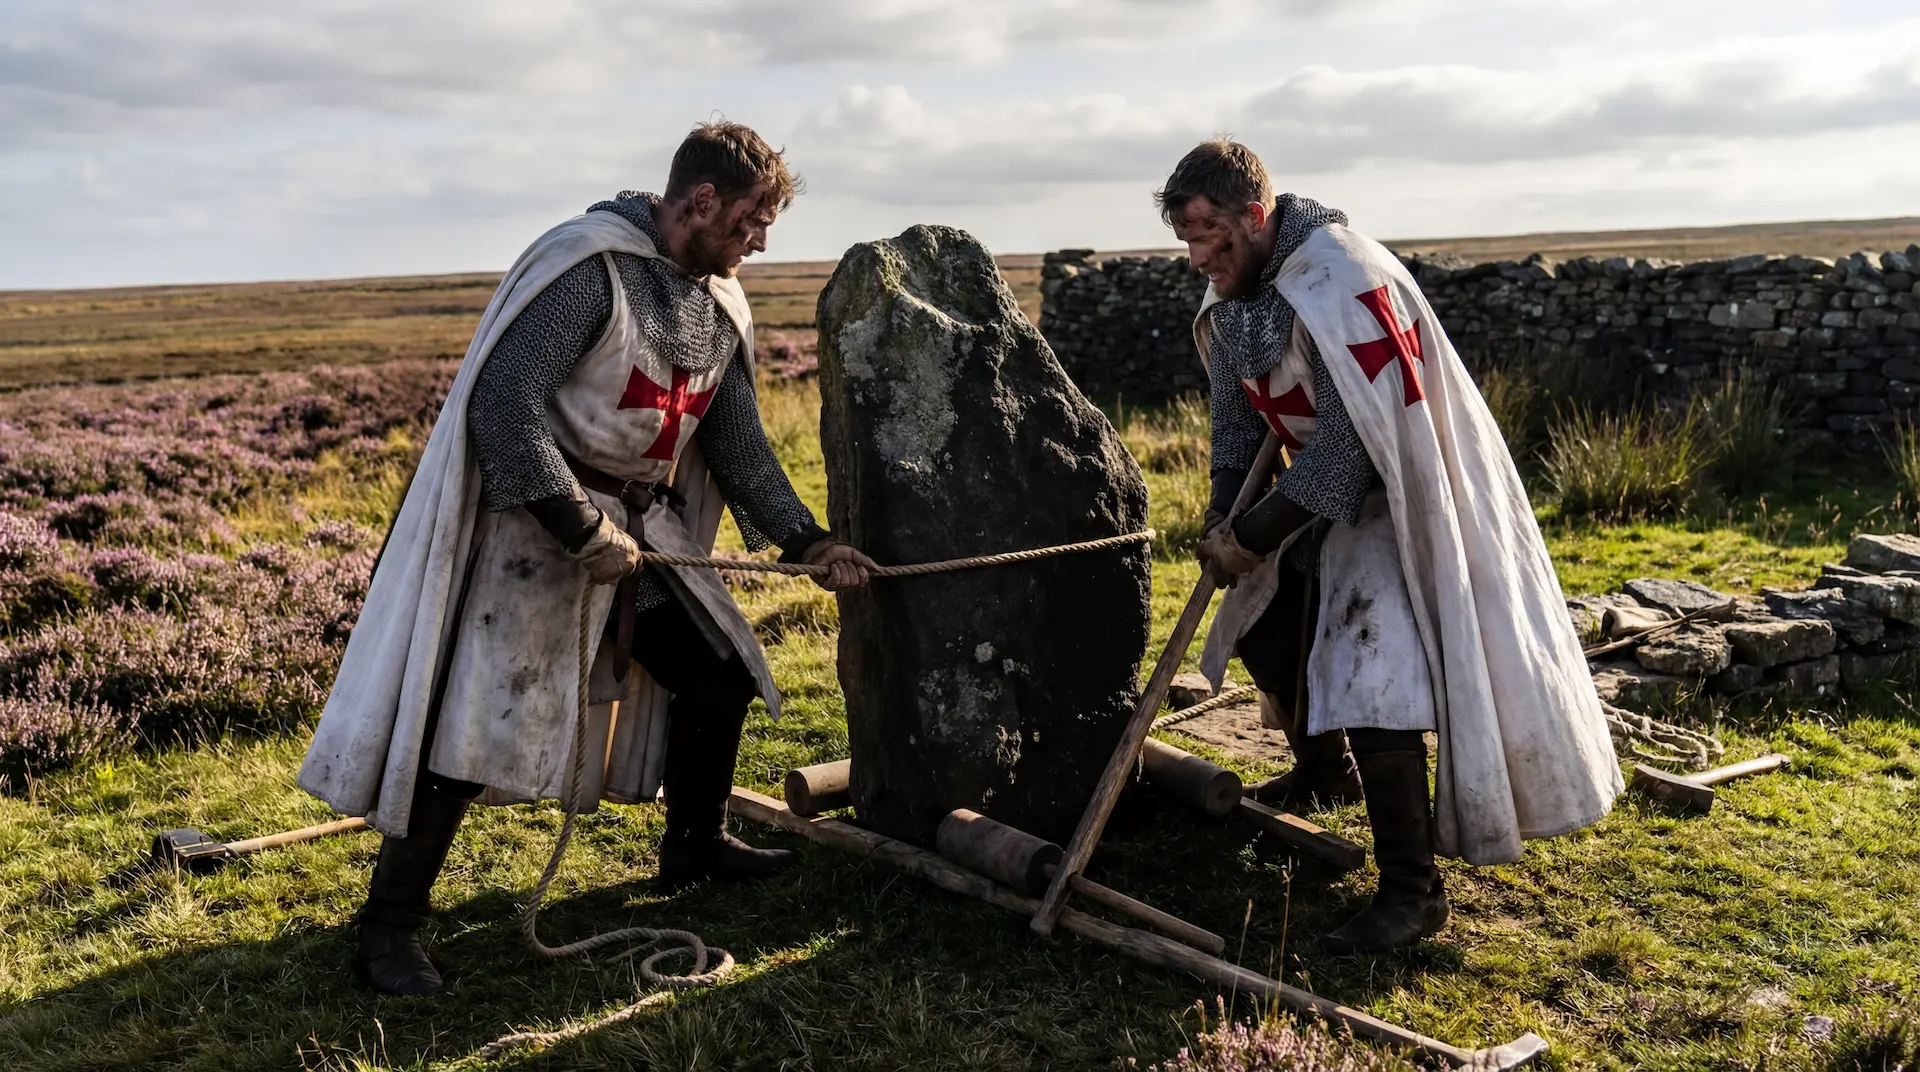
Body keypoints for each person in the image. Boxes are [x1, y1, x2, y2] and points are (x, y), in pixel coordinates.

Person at [297, 120, 877, 996]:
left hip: (641, 535)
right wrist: (577, 526)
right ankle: (388, 928)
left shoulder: (713, 301)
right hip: (529, 536)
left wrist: (808, 539)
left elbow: (737, 443)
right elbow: (505, 408)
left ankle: (693, 844)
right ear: (702, 199)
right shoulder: (587, 267)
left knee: (716, 675)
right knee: (468, 731)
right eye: (752, 220)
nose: (761, 241)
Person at [1161, 138, 1621, 953]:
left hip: (1410, 491)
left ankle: (1413, 893)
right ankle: (1323, 770)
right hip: (1317, 499)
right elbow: (1237, 420)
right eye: (1187, 239)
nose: (1199, 257)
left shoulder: (1341, 279)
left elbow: (1352, 449)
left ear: (1256, 218)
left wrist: (1257, 529)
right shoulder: (1237, 297)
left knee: (1372, 678)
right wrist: (1223, 517)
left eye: (1211, 237)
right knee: (1263, 623)